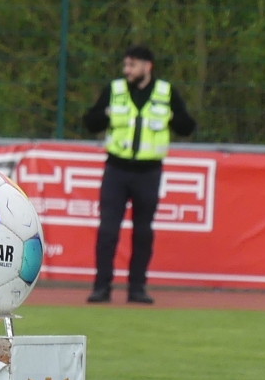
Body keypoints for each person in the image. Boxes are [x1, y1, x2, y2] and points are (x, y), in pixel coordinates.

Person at [80, 44, 196, 304]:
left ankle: (137, 288)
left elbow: (187, 127)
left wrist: (171, 117)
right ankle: (101, 287)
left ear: (147, 66)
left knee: (143, 233)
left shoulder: (166, 92)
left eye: (132, 65)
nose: (127, 70)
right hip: (116, 170)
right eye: (125, 65)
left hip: (149, 173)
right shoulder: (115, 90)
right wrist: (105, 114)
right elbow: (90, 122)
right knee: (108, 231)